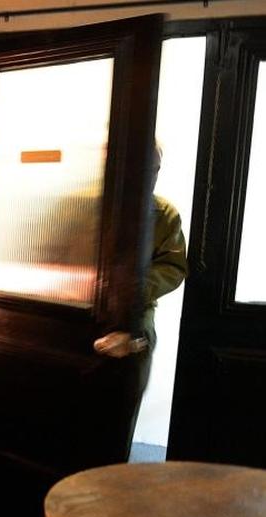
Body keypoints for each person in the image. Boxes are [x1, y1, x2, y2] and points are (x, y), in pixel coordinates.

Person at [93, 142, 188, 453]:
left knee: (124, 402)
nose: (151, 176)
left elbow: (173, 267)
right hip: (84, 309)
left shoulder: (165, 214)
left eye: (155, 169)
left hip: (136, 316)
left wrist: (133, 288)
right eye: (144, 168)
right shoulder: (88, 205)